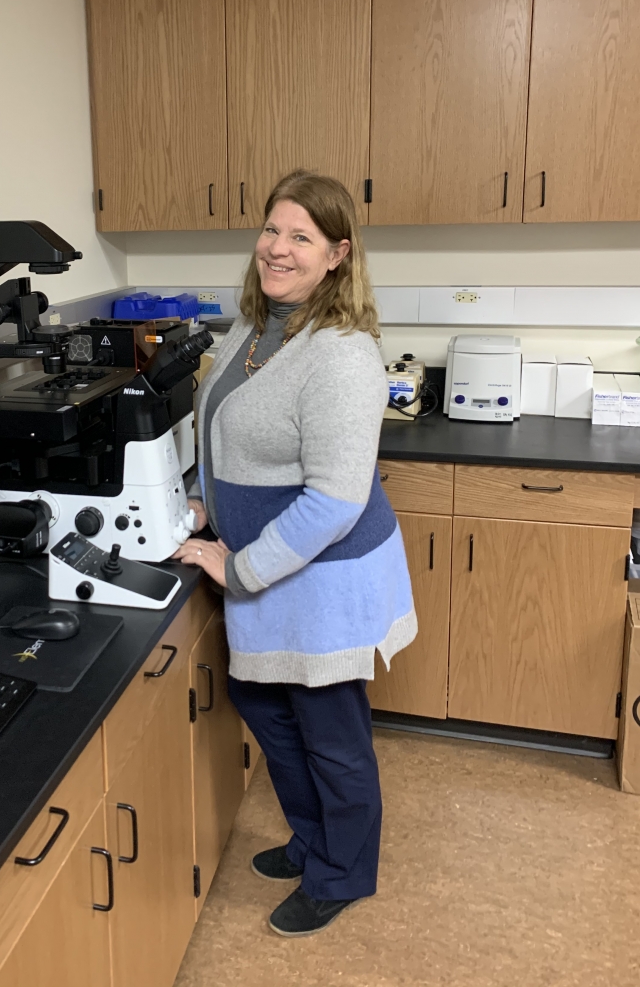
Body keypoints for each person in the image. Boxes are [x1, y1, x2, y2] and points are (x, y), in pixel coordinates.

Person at [177, 169, 415, 938]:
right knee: (268, 709)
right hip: (265, 566)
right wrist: (211, 506)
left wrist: (237, 566)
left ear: (338, 254)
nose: (277, 249)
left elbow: (336, 501)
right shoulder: (254, 326)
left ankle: (343, 872)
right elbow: (228, 431)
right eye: (272, 229)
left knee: (329, 732)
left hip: (319, 577)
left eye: (301, 238)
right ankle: (313, 841)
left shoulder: (341, 354)